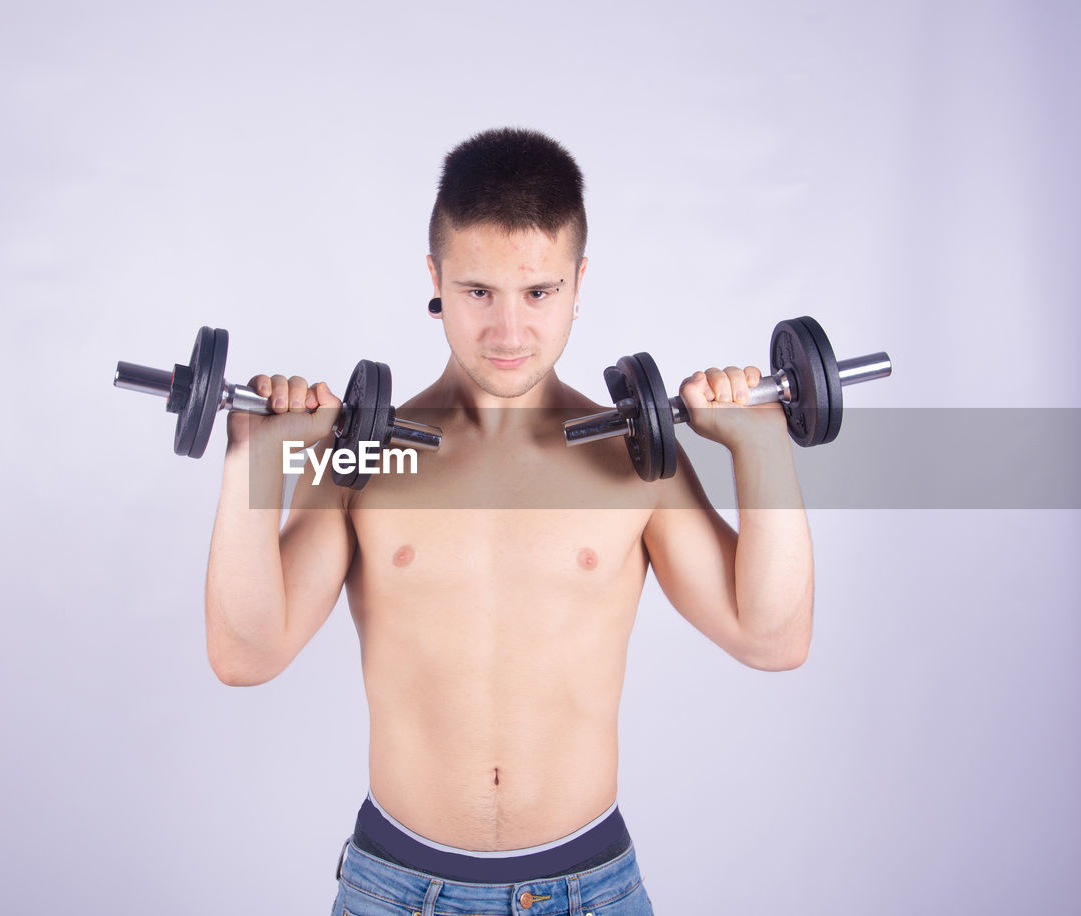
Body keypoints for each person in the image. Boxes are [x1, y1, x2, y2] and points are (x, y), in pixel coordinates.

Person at [205, 127, 813, 916]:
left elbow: (772, 639)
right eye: (478, 292)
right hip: (396, 889)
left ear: (578, 280)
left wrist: (762, 447)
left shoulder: (633, 461)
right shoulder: (369, 456)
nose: (509, 332)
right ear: (436, 277)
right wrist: (252, 464)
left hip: (588, 890)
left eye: (539, 293)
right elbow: (245, 654)